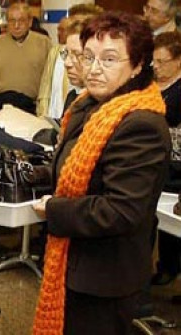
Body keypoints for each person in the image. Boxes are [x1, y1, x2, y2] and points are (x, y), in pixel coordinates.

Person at [31, 12, 170, 334]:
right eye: (88, 57)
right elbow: (69, 167)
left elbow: (121, 210)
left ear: (137, 65)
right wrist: (35, 175)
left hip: (104, 277)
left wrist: (54, 210)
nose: (94, 69)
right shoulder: (88, 104)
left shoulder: (141, 124)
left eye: (109, 59)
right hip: (74, 264)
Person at [152, 31, 181, 285]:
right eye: (154, 61)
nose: (156, 67)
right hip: (151, 156)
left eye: (162, 62)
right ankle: (161, 266)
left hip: (175, 161)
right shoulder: (151, 83)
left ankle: (171, 267)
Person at [36, 12, 101, 119]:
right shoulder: (72, 96)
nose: (67, 63)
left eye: (77, 54)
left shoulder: (103, 107)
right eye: (66, 53)